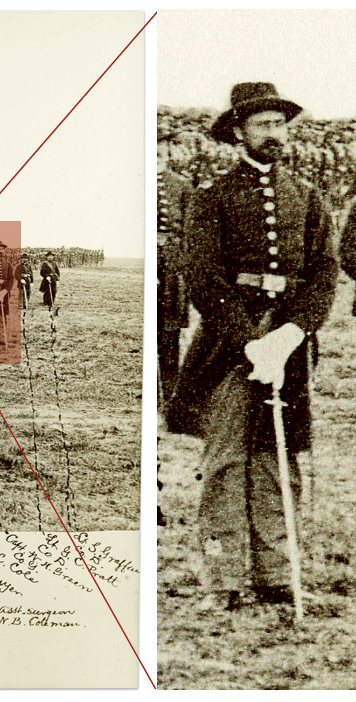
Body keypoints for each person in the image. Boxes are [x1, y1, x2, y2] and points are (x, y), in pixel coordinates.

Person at [166, 83, 337, 612]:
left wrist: (289, 335)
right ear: (239, 131)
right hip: (227, 345)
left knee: (277, 458)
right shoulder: (212, 196)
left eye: (281, 124)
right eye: (264, 125)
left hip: (288, 341)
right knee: (226, 458)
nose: (276, 134)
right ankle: (226, 576)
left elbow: (324, 274)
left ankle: (275, 571)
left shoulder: (307, 196)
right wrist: (250, 341)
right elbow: (202, 276)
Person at [158, 125, 194, 402]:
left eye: (162, 148)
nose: (157, 153)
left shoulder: (182, 186)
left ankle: (169, 390)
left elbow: (191, 233)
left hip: (172, 269)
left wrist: (182, 264)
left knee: (170, 332)